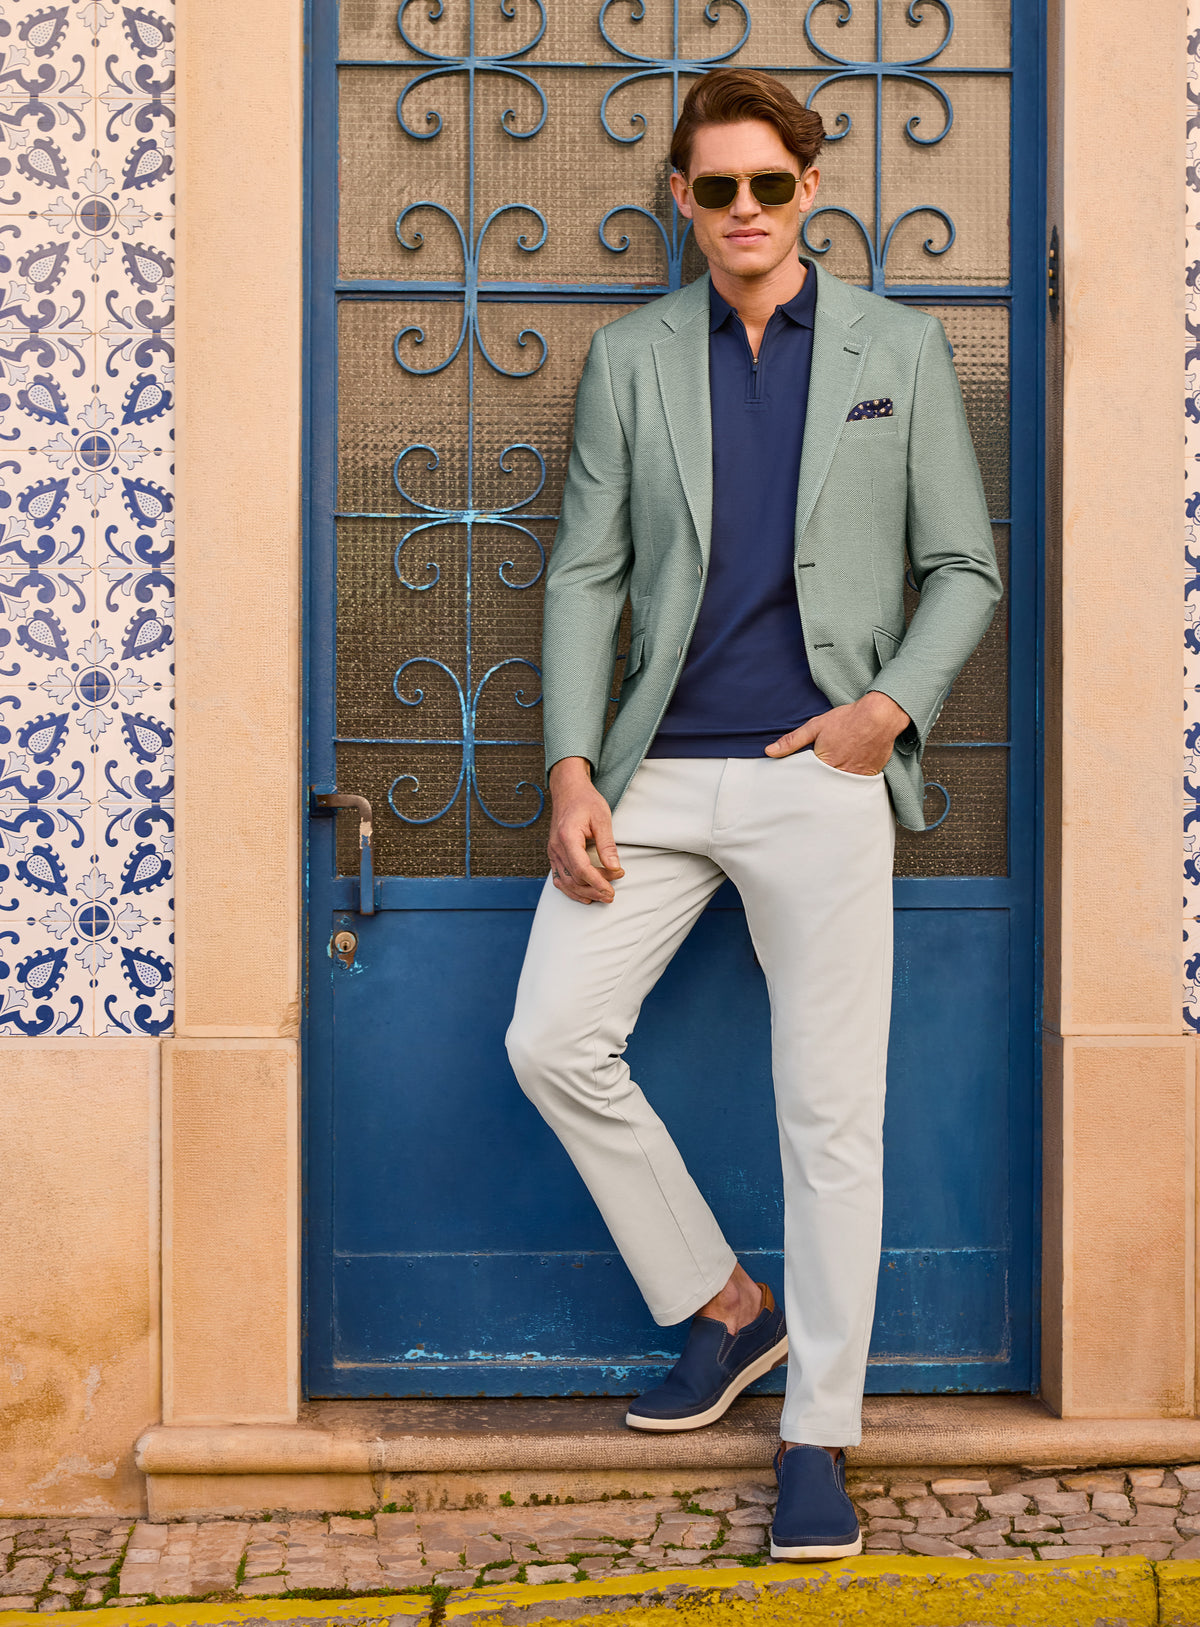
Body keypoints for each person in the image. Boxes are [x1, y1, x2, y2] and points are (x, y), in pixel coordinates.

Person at [505, 67, 1001, 1561]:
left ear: (808, 190)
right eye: (715, 187)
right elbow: (586, 573)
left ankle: (818, 1434)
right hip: (656, 772)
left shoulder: (896, 351)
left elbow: (963, 566)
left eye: (767, 185)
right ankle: (728, 1305)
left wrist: (883, 712)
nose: (742, 210)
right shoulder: (631, 357)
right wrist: (573, 768)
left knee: (831, 1116)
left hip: (821, 774)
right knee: (551, 1037)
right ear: (681, 197)